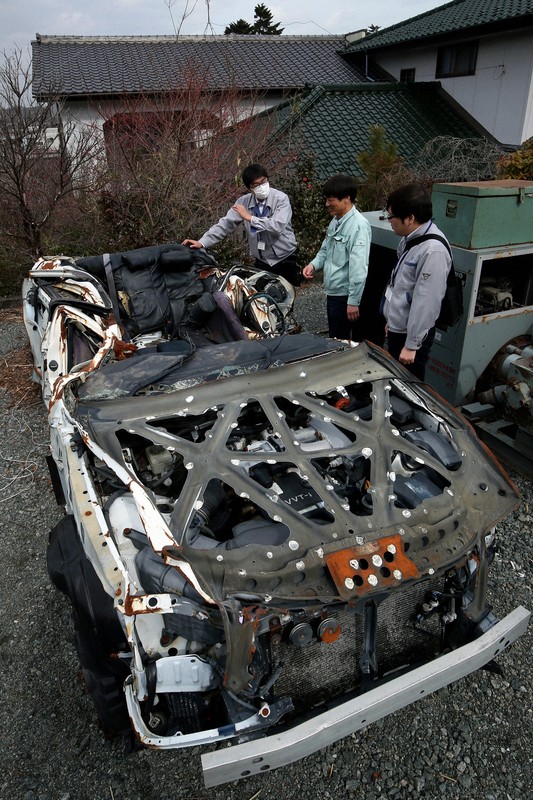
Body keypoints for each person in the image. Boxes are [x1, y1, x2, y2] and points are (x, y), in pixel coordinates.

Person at [182, 163, 300, 285]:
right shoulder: (243, 202)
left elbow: (278, 226)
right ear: (250, 188)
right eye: (256, 185)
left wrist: (249, 218)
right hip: (262, 259)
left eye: (263, 181)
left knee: (288, 291)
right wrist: (202, 242)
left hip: (285, 257)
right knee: (261, 293)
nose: (262, 187)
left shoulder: (281, 199)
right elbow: (225, 224)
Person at [382, 182, 452, 381]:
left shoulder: (433, 251)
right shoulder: (410, 239)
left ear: (410, 218)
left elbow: (426, 302)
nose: (389, 221)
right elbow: (400, 285)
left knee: (409, 385)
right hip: (399, 328)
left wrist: (412, 345)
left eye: (392, 216)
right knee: (395, 381)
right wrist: (391, 319)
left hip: (410, 337)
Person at [302, 174, 370, 340]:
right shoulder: (335, 221)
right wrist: (313, 265)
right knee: (335, 337)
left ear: (347, 198)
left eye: (331, 200)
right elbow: (325, 250)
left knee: (341, 341)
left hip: (344, 296)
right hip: (333, 292)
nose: (327, 204)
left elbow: (359, 267)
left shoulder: (358, 226)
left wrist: (353, 301)